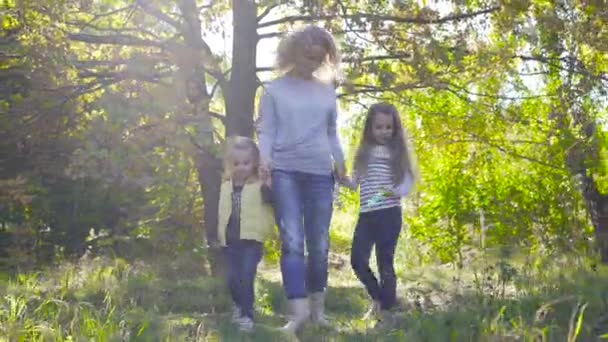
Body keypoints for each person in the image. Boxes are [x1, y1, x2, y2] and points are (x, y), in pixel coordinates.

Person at [257, 25, 346, 332]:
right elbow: (266, 130)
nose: (313, 59)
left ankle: (318, 313)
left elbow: (332, 132)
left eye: (318, 55)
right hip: (285, 171)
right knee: (293, 242)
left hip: (321, 173)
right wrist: (264, 161)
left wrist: (342, 163)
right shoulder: (273, 90)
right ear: (292, 51)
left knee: (319, 244)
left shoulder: (327, 91)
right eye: (308, 52)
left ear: (326, 56)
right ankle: (298, 314)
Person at [345, 103, 416, 327]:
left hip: (389, 213)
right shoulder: (362, 154)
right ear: (369, 128)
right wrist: (338, 175)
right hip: (367, 215)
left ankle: (387, 310)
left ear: (395, 129)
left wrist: (394, 190)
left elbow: (407, 180)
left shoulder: (397, 152)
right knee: (357, 260)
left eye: (389, 127)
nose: (384, 132)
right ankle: (378, 298)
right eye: (379, 127)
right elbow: (353, 183)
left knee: (385, 262)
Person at [217, 136, 275, 332]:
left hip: (252, 240)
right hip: (230, 241)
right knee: (232, 278)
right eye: (236, 163)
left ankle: (247, 315)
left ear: (254, 163)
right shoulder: (225, 187)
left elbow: (272, 202)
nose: (241, 167)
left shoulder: (259, 186)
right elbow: (221, 212)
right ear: (229, 164)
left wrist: (268, 183)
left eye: (246, 163)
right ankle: (238, 306)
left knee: (246, 276)